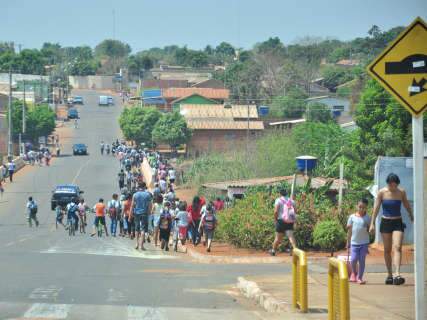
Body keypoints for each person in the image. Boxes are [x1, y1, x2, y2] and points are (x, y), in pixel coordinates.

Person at [369, 173, 413, 285]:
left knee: (397, 246)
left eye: (394, 185)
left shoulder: (401, 192)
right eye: (390, 185)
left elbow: (406, 204)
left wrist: (411, 215)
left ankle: (397, 274)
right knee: (387, 250)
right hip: (386, 222)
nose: (392, 187)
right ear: (387, 183)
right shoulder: (382, 192)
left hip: (397, 222)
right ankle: (389, 274)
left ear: (397, 184)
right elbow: (376, 208)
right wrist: (372, 223)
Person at [347, 198, 371, 284]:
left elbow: (370, 230)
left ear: (366, 208)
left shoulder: (368, 218)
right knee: (353, 259)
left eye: (363, 207)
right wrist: (348, 242)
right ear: (357, 206)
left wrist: (371, 229)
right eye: (360, 207)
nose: (361, 209)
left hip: (364, 243)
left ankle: (360, 277)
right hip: (354, 243)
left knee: (362, 260)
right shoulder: (352, 217)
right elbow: (349, 231)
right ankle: (354, 272)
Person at [270, 189, 297, 256]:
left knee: (278, 238)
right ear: (286, 193)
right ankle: (295, 250)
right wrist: (293, 221)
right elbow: (295, 212)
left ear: (280, 194)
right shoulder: (292, 201)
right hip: (289, 221)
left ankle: (273, 251)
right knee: (291, 236)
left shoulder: (278, 200)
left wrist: (275, 219)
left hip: (281, 221)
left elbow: (276, 211)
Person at [129, 182, 153, 250]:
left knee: (137, 229)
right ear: (144, 187)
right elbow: (150, 206)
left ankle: (136, 243)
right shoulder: (148, 195)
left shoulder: (135, 195)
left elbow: (132, 206)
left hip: (136, 213)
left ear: (138, 187)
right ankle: (141, 245)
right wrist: (149, 213)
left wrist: (130, 216)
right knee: (143, 229)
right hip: (144, 213)